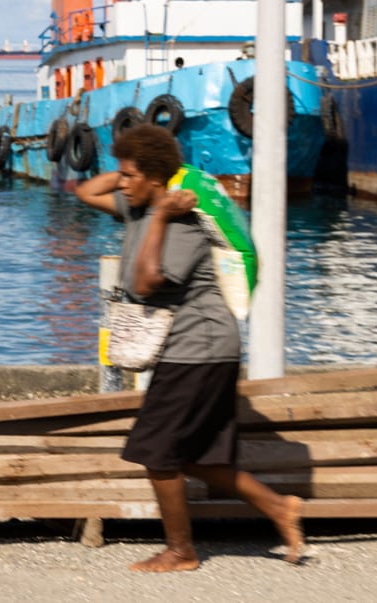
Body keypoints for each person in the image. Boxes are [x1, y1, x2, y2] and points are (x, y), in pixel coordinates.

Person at [74, 124, 304, 573]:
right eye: (120, 175)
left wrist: (161, 212)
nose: (120, 183)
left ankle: (181, 551)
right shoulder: (137, 204)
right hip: (189, 349)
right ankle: (280, 509)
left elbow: (144, 283)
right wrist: (131, 169)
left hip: (199, 346)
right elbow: (86, 191)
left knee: (157, 452)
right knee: (196, 458)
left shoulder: (180, 221)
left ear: (155, 181)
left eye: (128, 175)